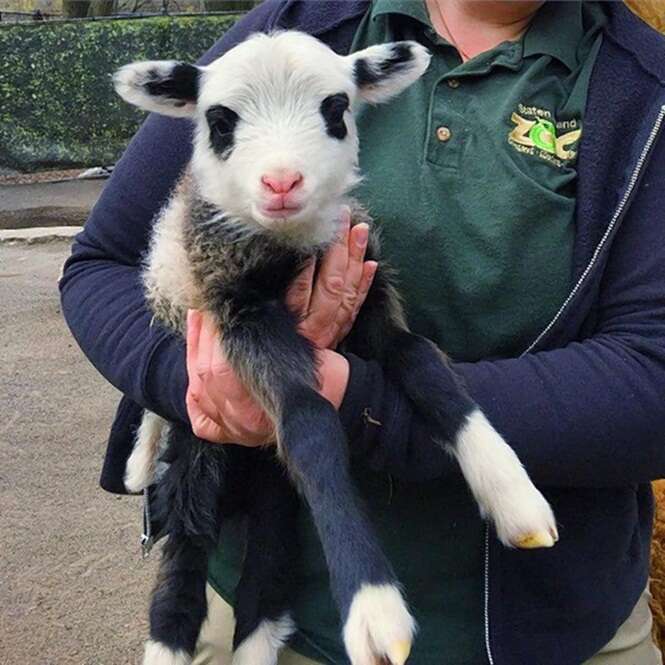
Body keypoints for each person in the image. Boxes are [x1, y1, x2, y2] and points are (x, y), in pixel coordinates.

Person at [60, 1, 665, 664]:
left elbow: (650, 378)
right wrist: (202, 381)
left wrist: (361, 403)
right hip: (266, 620)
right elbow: (104, 262)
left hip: (559, 630)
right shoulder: (303, 29)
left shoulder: (640, 91)